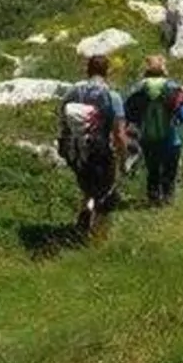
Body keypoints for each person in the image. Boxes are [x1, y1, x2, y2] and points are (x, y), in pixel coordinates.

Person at [57, 54, 129, 232]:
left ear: (87, 70)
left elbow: (62, 119)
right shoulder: (112, 96)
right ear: (107, 72)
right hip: (100, 150)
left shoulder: (73, 92)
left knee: (87, 184)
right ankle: (96, 230)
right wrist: (123, 158)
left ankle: (85, 213)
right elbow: (119, 133)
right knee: (104, 189)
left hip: (75, 148)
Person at [123, 55, 183, 206]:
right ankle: (167, 199)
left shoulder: (138, 88)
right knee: (169, 172)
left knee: (153, 171)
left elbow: (128, 112)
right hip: (170, 138)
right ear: (164, 69)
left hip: (147, 138)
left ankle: (153, 198)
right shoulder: (172, 87)